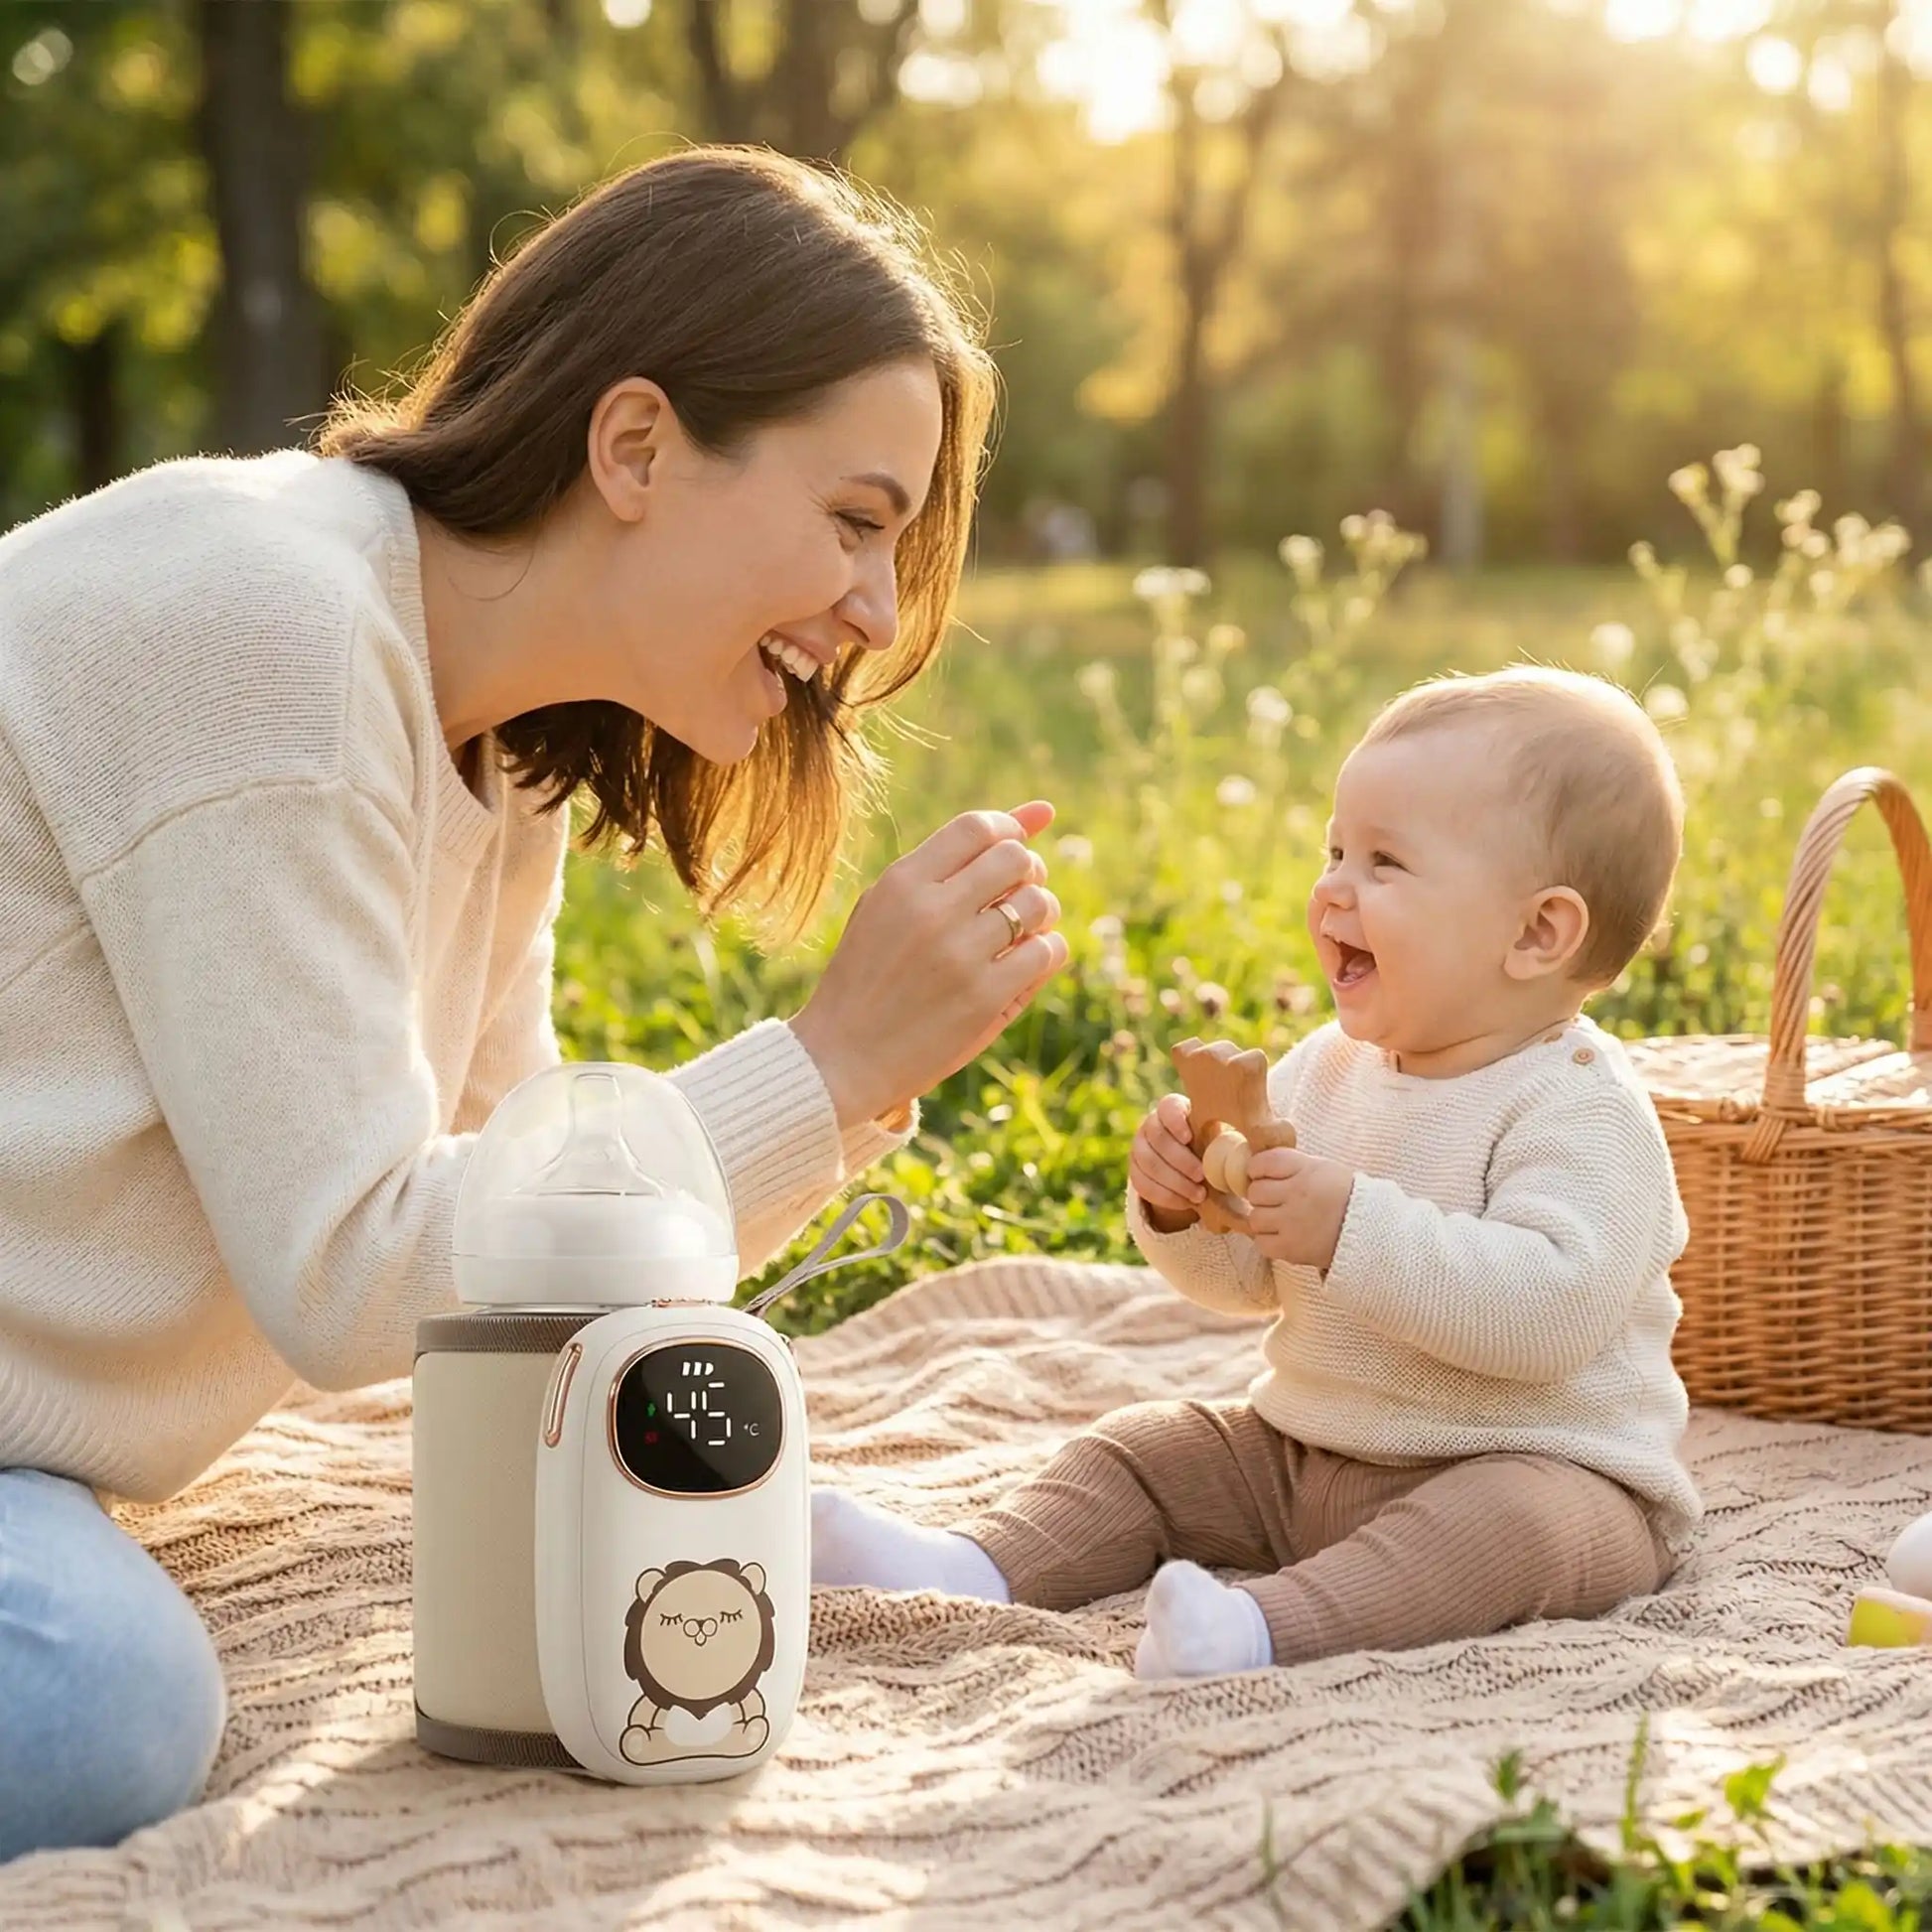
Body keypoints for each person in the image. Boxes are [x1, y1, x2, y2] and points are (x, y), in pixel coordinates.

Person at [0, 147, 1069, 1861]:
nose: (877, 612)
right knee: (97, 1702)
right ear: (636, 444)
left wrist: (793, 1527)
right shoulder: (258, 621)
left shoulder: (502, 755)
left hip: (28, 1468)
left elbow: (527, 1252)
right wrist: (827, 1058)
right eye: (858, 522)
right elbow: (361, 1275)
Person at [813, 666, 1702, 1677]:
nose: (1331, 886)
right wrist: (1181, 1205)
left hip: (1534, 1466)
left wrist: (1348, 1227)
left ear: (1536, 931)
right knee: (1146, 1448)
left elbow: (1546, 1315)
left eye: (1384, 861)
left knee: (1502, 1533)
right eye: (1333, 848)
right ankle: (979, 1562)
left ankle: (1262, 1628)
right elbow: (1241, 1285)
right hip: (1306, 1450)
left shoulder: (1578, 1105)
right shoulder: (1324, 1069)